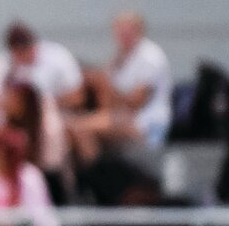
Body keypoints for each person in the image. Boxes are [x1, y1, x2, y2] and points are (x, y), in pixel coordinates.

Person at [0, 21, 82, 203]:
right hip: (15, 121)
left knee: (54, 129)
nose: (23, 55)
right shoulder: (2, 65)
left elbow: (77, 97)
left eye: (26, 49)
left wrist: (41, 103)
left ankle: (62, 181)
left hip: (54, 115)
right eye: (17, 51)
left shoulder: (57, 57)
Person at [71, 11, 174, 164]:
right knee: (75, 128)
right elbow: (106, 96)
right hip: (123, 117)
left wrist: (105, 85)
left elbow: (135, 103)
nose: (123, 35)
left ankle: (96, 176)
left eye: (128, 31)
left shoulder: (149, 57)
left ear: (139, 30)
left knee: (80, 127)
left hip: (145, 124)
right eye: (119, 30)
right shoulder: (121, 56)